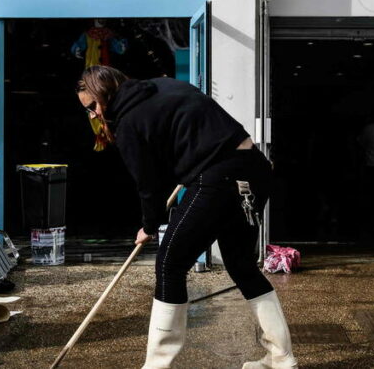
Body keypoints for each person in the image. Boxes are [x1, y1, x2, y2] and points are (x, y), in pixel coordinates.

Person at [76, 65, 298, 369]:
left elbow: (148, 184)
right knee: (241, 265)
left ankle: (157, 366)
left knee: (169, 263)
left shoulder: (128, 122)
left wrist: (149, 226)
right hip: (255, 170)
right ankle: (281, 359)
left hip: (219, 178)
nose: (92, 115)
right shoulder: (165, 87)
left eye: (92, 106)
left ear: (104, 94)